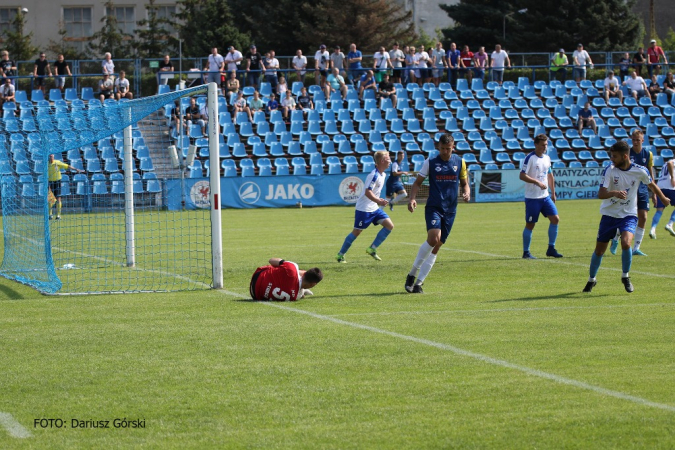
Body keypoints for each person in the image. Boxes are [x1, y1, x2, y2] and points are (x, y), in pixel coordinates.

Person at [583, 141, 670, 293]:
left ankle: (625, 276)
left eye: (615, 157)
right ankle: (592, 279)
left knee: (626, 243)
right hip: (609, 214)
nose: (612, 159)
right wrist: (615, 193)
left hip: (628, 214)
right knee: (599, 251)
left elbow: (651, 184)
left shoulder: (640, 171)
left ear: (625, 156)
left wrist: (662, 198)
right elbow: (601, 194)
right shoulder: (609, 170)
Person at [405, 133, 470, 293]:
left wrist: (466, 192)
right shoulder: (431, 162)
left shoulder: (460, 162)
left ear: (453, 147)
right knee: (434, 239)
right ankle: (412, 273)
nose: (445, 152)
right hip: (434, 207)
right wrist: (412, 198)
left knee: (438, 245)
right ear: (438, 147)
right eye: (442, 149)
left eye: (448, 149)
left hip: (451, 210)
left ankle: (419, 283)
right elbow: (417, 183)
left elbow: (465, 183)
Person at [336, 151, 394, 263]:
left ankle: (372, 248)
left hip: (374, 208)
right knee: (357, 232)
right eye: (388, 158)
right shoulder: (374, 175)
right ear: (382, 161)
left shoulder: (383, 174)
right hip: (364, 209)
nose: (390, 161)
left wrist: (378, 201)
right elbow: (368, 192)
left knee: (389, 226)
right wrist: (378, 200)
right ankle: (340, 255)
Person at [609, 129, 656, 256]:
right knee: (626, 217)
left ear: (642, 140)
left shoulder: (648, 154)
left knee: (643, 217)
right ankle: (615, 239)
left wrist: (655, 194)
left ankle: (636, 248)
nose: (635, 142)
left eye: (637, 140)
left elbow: (650, 174)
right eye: (633, 140)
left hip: (642, 190)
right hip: (629, 190)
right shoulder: (627, 154)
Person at [519, 134, 563, 259]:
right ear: (536, 145)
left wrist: (553, 192)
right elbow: (522, 175)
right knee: (530, 225)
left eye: (546, 145)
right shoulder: (530, 158)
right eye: (543, 145)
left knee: (555, 219)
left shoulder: (547, 158)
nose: (545, 147)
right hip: (533, 198)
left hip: (545, 197)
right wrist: (537, 182)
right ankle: (526, 252)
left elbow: (550, 175)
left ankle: (551, 248)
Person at [249, 258, 323, 301]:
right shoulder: (296, 296)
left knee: (282, 268)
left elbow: (271, 260)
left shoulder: (292, 267)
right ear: (313, 284)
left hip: (258, 275)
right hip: (255, 294)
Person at [48, 153, 84, 220]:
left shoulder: (57, 162)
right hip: (50, 182)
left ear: (53, 157)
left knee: (58, 198)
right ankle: (50, 214)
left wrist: (76, 169)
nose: (51, 158)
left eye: (52, 156)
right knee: (50, 198)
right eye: (50, 157)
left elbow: (67, 166)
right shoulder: (46, 164)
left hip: (57, 182)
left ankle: (58, 215)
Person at [649, 157, 675, 239]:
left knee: (659, 210)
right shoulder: (672, 161)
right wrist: (673, 177)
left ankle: (652, 229)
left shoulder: (663, 165)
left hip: (660, 187)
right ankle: (670, 224)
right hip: (670, 187)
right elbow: (670, 163)